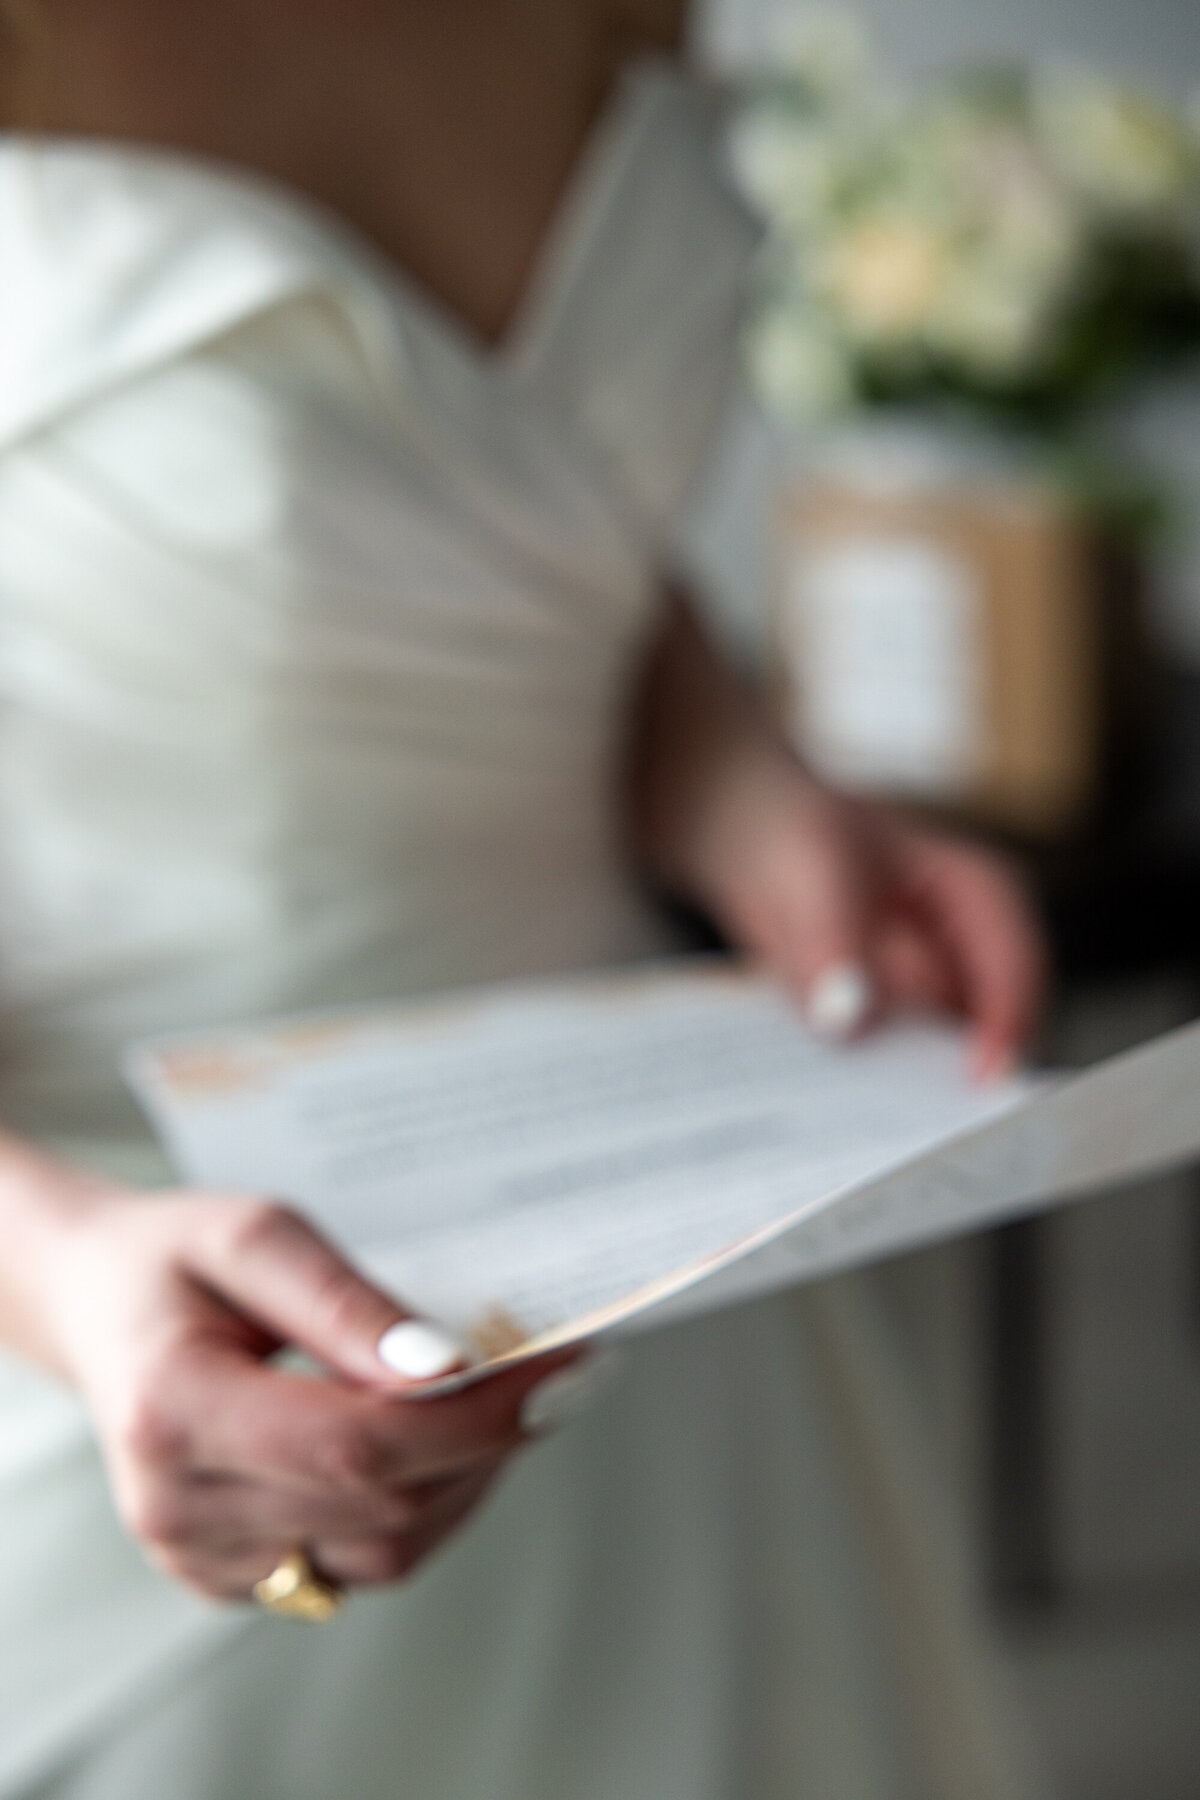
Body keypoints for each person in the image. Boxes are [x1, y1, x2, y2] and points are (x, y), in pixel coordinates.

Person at [0, 3, 1047, 1796]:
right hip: (131, 1309)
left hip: (638, 1242)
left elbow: (563, 541)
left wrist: (752, 801)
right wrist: (63, 1272)